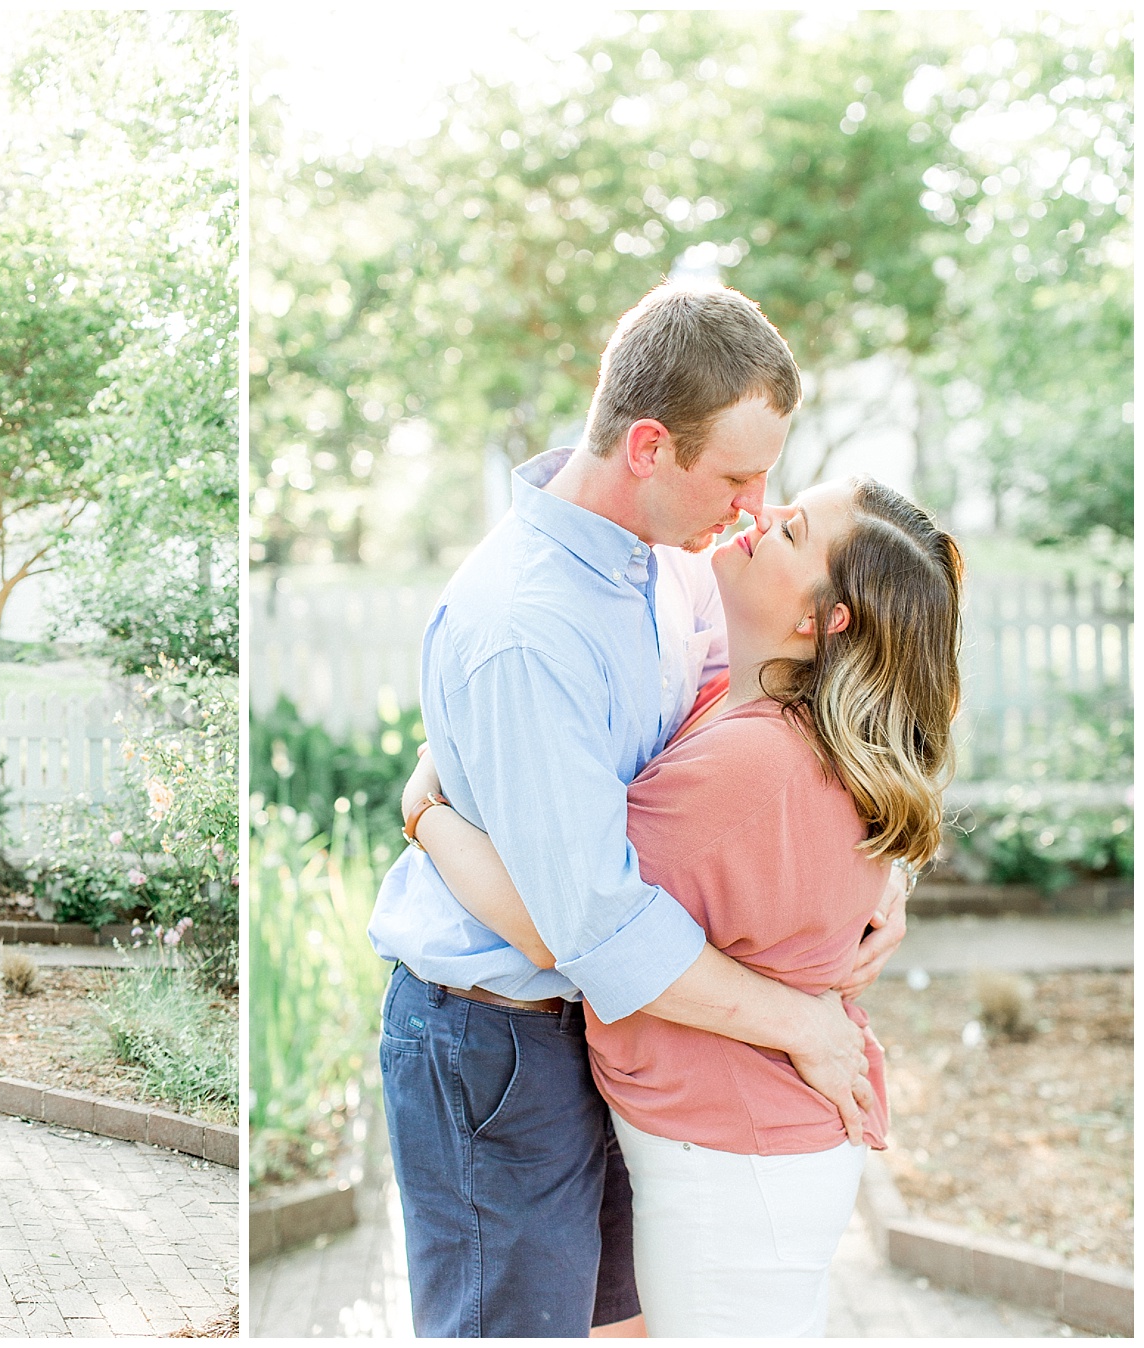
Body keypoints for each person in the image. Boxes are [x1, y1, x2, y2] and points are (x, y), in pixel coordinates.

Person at [366, 285, 908, 1337]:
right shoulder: (528, 626)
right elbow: (590, 925)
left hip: (613, 1036)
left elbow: (805, 719)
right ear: (651, 446)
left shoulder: (666, 570)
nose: (755, 507)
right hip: (497, 1043)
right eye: (740, 478)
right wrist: (804, 1021)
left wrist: (887, 879)